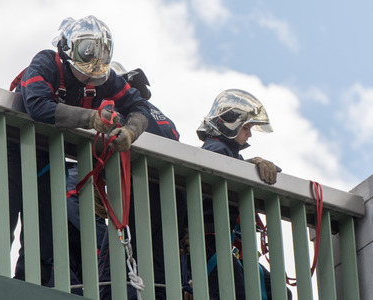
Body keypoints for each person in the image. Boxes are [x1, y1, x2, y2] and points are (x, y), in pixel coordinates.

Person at [0, 15, 150, 286]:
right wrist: (89, 118)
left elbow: (140, 107)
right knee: (5, 221)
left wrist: (130, 132)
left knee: (44, 232)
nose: (90, 78)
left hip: (49, 156)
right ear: (67, 50)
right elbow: (36, 104)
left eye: (96, 74)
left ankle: (28, 284)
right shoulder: (46, 62)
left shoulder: (102, 76)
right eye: (85, 71)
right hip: (13, 148)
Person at [95, 62, 186, 300]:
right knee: (158, 267)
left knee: (114, 263)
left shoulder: (121, 109)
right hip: (171, 200)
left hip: (136, 195)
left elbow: (111, 140)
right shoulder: (164, 119)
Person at [196, 88, 291, 299]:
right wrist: (250, 166)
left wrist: (251, 165)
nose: (249, 134)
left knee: (280, 292)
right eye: (247, 127)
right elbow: (221, 174)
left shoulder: (226, 153)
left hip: (227, 244)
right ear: (231, 124)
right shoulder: (215, 150)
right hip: (210, 242)